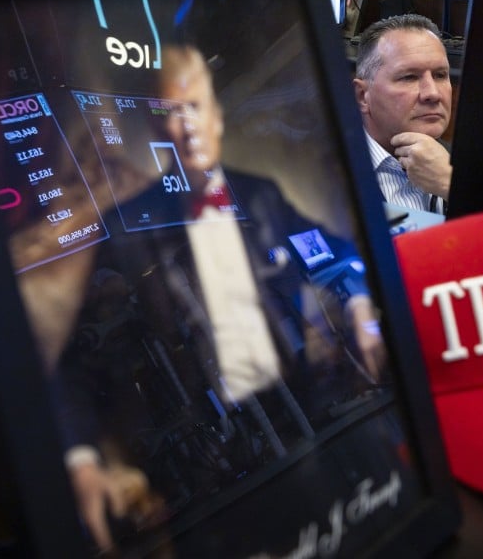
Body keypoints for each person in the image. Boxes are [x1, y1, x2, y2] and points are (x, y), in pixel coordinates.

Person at [52, 45, 386, 552]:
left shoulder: (260, 195)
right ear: (155, 127)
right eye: (170, 112)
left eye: (195, 107)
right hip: (215, 448)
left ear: (217, 117)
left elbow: (330, 250)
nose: (185, 125)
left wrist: (360, 303)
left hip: (305, 401)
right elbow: (69, 359)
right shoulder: (123, 225)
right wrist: (82, 457)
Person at [352, 13, 453, 215]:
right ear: (363, 96)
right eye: (409, 77)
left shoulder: (468, 170)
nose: (432, 93)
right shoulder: (322, 177)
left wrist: (450, 184)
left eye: (440, 75)